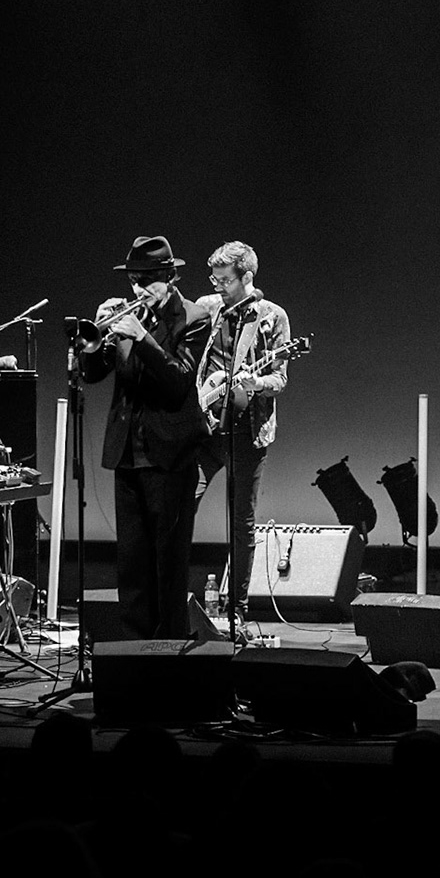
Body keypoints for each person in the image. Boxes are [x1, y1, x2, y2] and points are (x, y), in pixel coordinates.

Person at [77, 236, 210, 639]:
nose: (138, 290)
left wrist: (142, 336)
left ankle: (169, 653)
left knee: (168, 564)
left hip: (170, 455)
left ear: (170, 277)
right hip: (127, 454)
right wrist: (94, 343)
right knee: (131, 564)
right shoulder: (124, 318)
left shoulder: (194, 316)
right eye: (134, 280)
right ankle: (134, 653)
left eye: (147, 280)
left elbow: (177, 382)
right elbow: (93, 374)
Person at [192, 241, 292, 630]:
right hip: (205, 428)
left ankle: (237, 608)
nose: (217, 285)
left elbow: (279, 379)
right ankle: (172, 602)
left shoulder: (271, 317)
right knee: (184, 504)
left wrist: (255, 381)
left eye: (225, 279)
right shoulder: (208, 308)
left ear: (247, 277)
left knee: (241, 522)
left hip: (248, 431)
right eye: (214, 278)